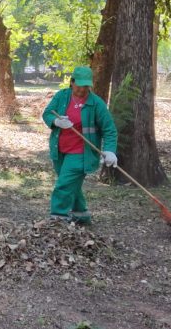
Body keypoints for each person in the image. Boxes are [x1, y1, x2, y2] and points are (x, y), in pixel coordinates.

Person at [42, 66, 118, 225]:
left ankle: (58, 219)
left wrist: (110, 151)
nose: (82, 89)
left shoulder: (96, 103)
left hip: (82, 152)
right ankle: (81, 215)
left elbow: (109, 129)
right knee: (71, 184)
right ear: (72, 82)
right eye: (79, 85)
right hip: (59, 150)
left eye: (86, 86)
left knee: (64, 185)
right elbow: (47, 113)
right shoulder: (62, 96)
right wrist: (56, 121)